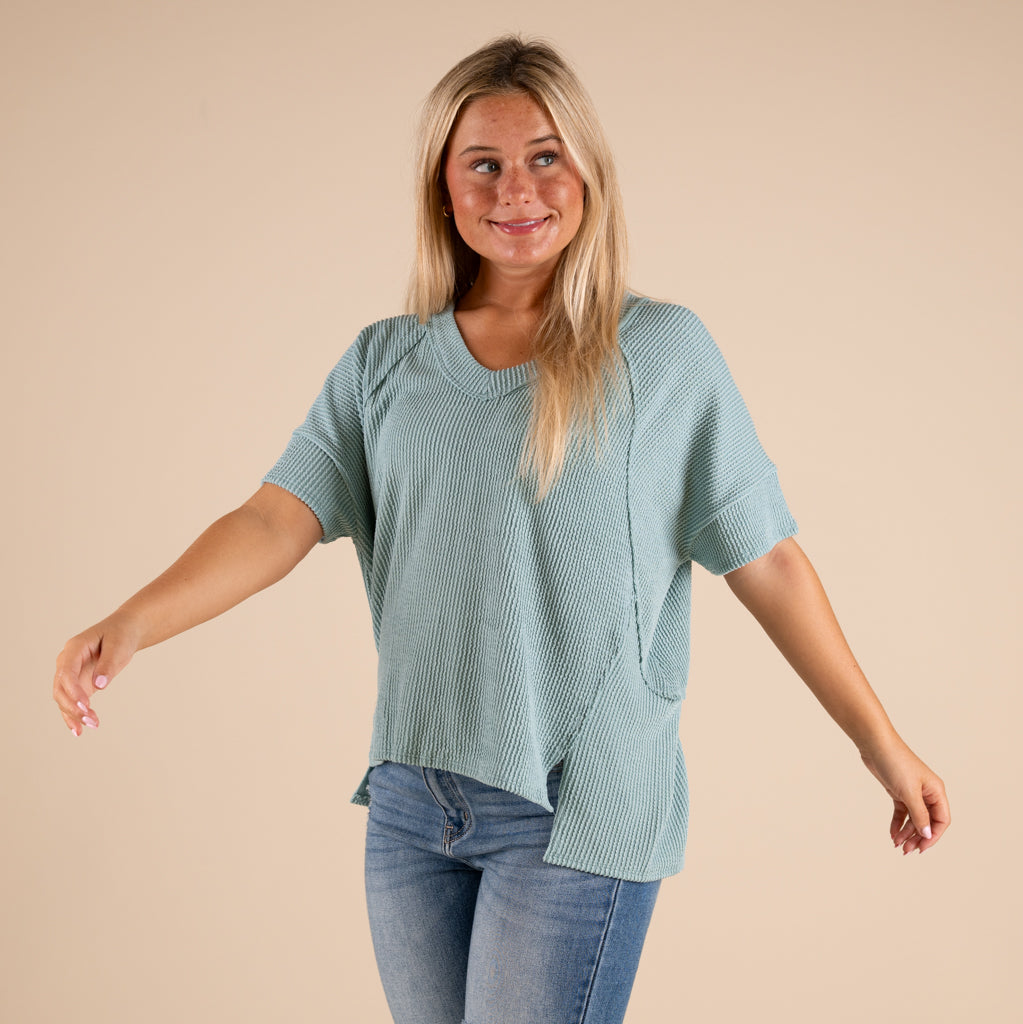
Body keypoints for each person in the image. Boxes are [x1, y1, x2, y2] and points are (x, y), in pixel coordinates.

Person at [53, 34, 950, 1024]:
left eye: (545, 156)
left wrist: (880, 746)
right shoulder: (385, 365)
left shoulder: (661, 354)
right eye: (482, 163)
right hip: (412, 806)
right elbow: (275, 516)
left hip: (576, 808)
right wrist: (132, 623)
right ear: (443, 189)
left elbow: (767, 558)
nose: (515, 189)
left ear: (589, 175)